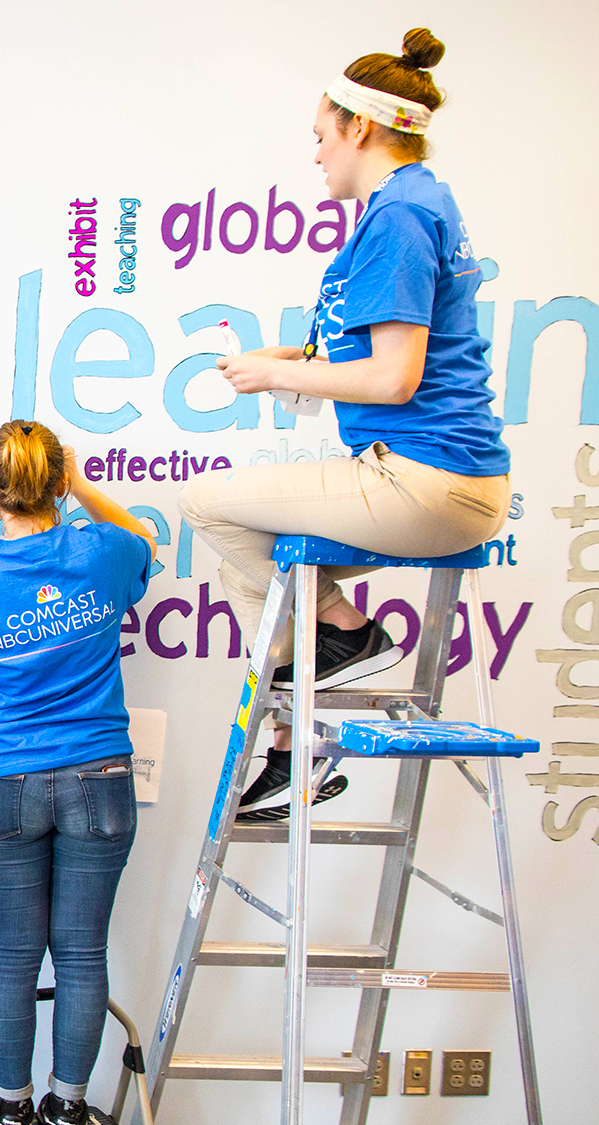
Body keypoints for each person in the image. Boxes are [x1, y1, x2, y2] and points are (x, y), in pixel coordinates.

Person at [178, 27, 510, 822]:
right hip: (437, 472)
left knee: (206, 504)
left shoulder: (399, 215)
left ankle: (347, 632)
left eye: (321, 137)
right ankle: (297, 751)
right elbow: (376, 351)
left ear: (360, 128)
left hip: (425, 475)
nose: (317, 155)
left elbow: (396, 377)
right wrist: (298, 355)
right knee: (243, 573)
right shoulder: (409, 205)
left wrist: (277, 374)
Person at [0, 420, 155, 1125]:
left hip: (8, 781)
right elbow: (144, 543)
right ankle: (68, 1108)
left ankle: (13, 1106)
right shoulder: (103, 550)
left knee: (14, 954)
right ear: (58, 480)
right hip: (101, 776)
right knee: (83, 953)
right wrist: (83, 487)